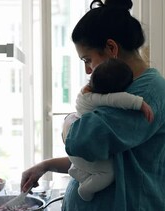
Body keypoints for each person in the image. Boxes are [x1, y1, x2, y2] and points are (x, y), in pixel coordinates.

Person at [21, 0, 165, 211]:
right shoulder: (122, 91)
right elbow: (99, 157)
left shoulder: (146, 93)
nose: (88, 70)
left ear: (111, 48)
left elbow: (82, 142)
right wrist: (47, 165)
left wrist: (68, 122)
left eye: (87, 59)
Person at [63, 57, 154, 202]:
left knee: (91, 167)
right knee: (108, 172)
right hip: (79, 152)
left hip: (74, 152)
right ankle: (85, 188)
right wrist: (140, 103)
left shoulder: (85, 93)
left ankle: (77, 171)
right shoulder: (95, 98)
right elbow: (117, 99)